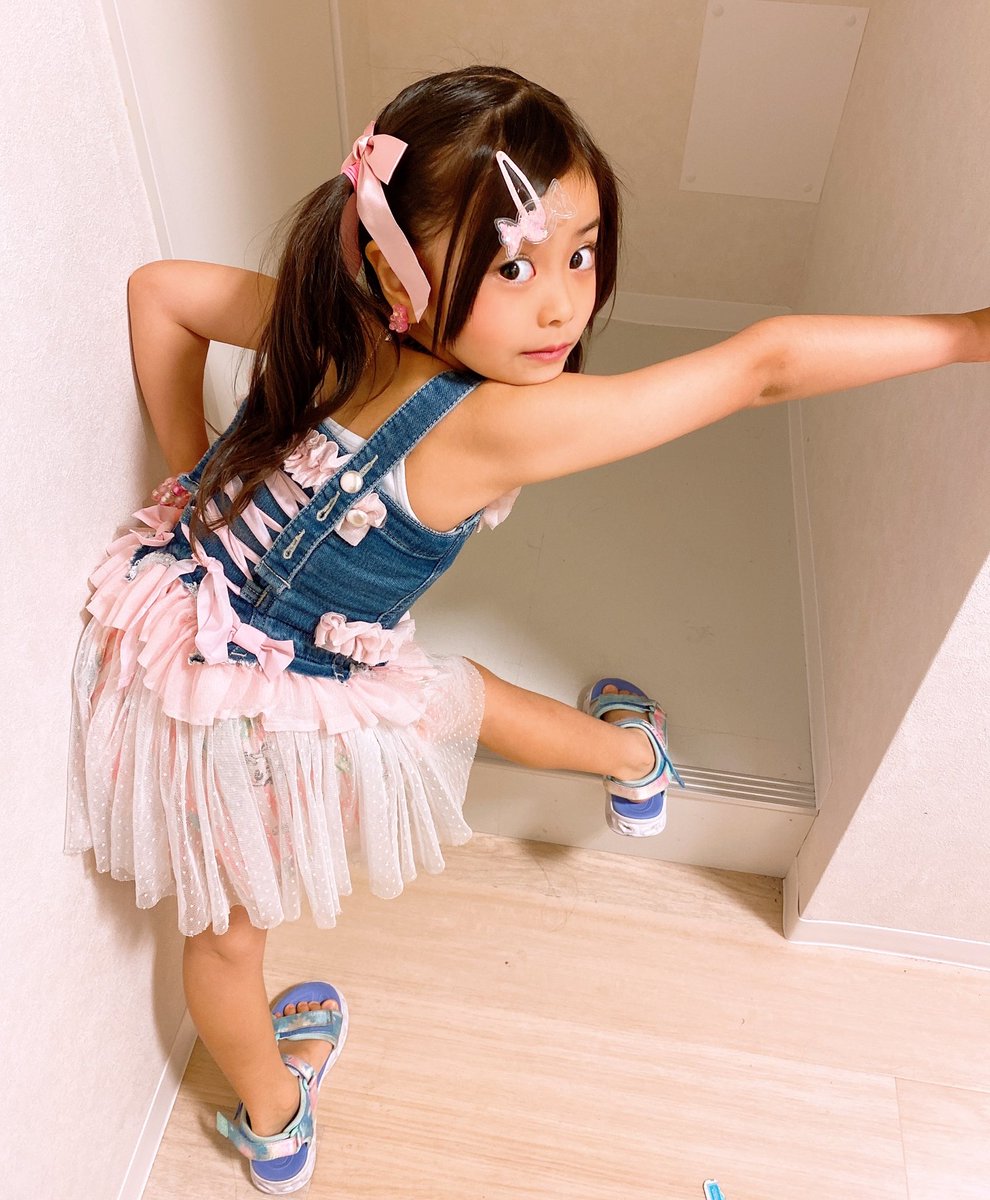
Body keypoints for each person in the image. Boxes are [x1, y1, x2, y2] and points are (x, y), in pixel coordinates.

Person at [64, 64, 989, 1193]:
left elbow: (159, 293)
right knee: (445, 707)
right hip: (275, 719)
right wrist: (966, 334)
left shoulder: (334, 323)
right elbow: (761, 368)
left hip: (169, 635)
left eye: (581, 255)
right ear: (397, 267)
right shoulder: (491, 427)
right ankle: (636, 761)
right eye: (514, 267)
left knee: (223, 939)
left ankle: (274, 1125)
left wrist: (187, 476)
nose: (563, 306)